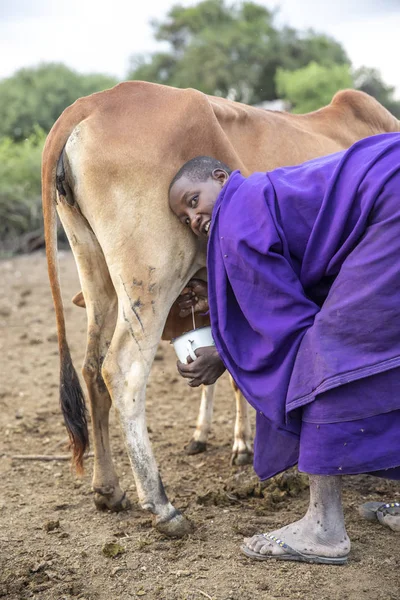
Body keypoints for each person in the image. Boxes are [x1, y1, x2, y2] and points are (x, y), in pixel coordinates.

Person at [168, 134, 400, 564]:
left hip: (391, 197)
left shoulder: (236, 212)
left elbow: (287, 327)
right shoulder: (264, 195)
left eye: (194, 200)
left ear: (222, 178)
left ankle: (324, 527)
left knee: (326, 356)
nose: (194, 217)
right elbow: (292, 291)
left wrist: (224, 353)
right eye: (184, 217)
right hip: (389, 167)